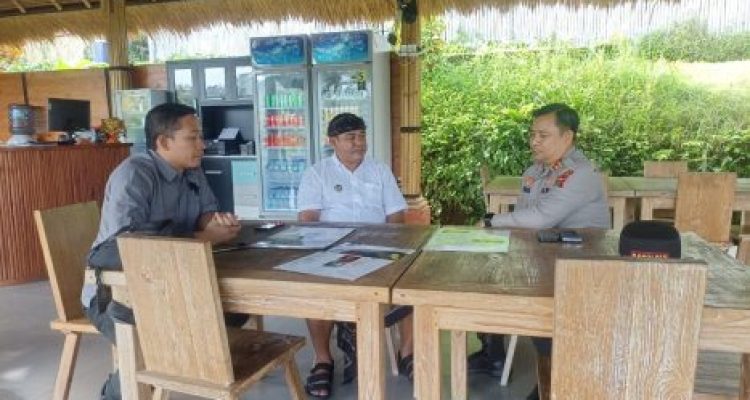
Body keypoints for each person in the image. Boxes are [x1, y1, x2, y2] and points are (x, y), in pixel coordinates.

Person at [82, 103, 243, 400]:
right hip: (117, 295)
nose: (202, 145)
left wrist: (217, 223)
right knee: (156, 346)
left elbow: (205, 212)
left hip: (171, 284)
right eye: (192, 138)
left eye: (200, 137)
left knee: (235, 311)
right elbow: (128, 248)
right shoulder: (134, 175)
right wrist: (204, 237)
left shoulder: (192, 170)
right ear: (164, 142)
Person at [478, 103, 610, 400]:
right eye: (532, 134)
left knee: (549, 320)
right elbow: (525, 218)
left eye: (543, 135)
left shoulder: (580, 174)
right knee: (489, 273)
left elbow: (540, 218)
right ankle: (494, 352)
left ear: (567, 137)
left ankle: (556, 385)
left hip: (583, 273)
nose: (534, 141)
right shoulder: (534, 172)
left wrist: (490, 220)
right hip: (545, 261)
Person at [297, 113, 410, 398]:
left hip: (377, 250)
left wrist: (388, 244)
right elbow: (308, 220)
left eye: (362, 136)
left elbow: (396, 215)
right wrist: (330, 247)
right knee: (315, 289)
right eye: (350, 137)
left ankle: (407, 353)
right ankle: (323, 359)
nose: (359, 143)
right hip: (333, 251)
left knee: (410, 284)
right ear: (332, 141)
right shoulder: (317, 173)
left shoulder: (379, 171)